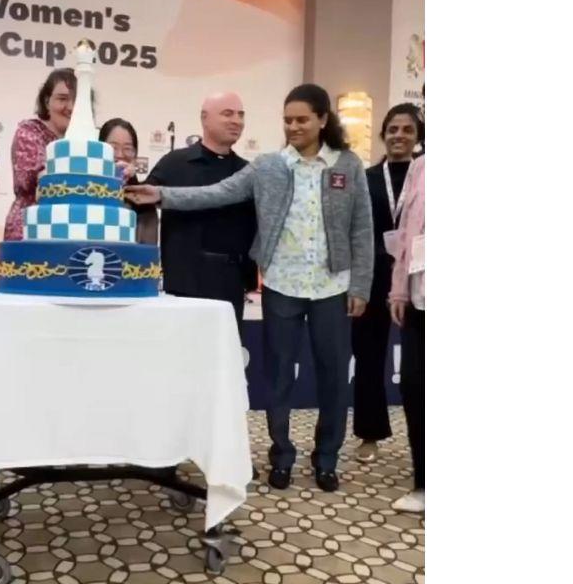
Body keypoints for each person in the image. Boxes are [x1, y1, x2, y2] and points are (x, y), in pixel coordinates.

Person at [128, 84, 372, 493]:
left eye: (302, 120)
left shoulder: (347, 166)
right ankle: (282, 456)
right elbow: (216, 193)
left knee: (333, 377)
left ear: (322, 120)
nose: (293, 127)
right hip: (280, 284)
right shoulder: (268, 166)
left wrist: (360, 285)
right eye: (287, 120)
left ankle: (327, 459)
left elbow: (361, 228)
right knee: (278, 376)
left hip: (333, 286)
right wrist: (161, 195)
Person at [143, 93, 257, 336]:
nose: (236, 121)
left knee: (224, 354)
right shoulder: (174, 163)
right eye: (227, 114)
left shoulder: (247, 172)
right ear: (205, 118)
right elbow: (141, 201)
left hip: (230, 288)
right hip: (183, 287)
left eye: (241, 115)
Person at [351, 104, 424, 462]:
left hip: (417, 276)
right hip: (374, 275)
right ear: (382, 134)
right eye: (393, 129)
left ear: (418, 137)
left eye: (407, 130)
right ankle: (370, 433)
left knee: (420, 365)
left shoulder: (425, 177)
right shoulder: (365, 178)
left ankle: (423, 445)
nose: (399, 136)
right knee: (368, 356)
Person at [388, 155, 425, 514]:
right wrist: (399, 290)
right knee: (415, 389)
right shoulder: (420, 166)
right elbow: (406, 234)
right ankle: (424, 483)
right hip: (419, 297)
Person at [3, 69, 77, 241]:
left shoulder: (87, 141)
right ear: (46, 101)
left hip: (72, 231)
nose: (71, 107)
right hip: (30, 232)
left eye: (76, 100)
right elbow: (39, 180)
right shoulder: (29, 133)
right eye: (62, 99)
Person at [99, 117, 159, 245]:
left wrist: (130, 181)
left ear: (135, 155)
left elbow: (146, 248)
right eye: (113, 147)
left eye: (127, 148)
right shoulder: (88, 191)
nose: (120, 154)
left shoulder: (144, 202)